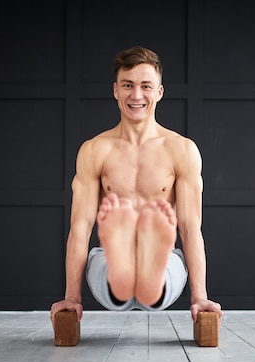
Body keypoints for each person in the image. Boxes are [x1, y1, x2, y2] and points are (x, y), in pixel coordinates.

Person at [50, 46, 222, 327]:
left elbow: (190, 227)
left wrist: (200, 296)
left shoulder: (181, 150)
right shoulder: (95, 150)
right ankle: (125, 265)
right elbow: (80, 226)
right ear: (115, 90)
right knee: (115, 278)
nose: (136, 95)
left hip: (165, 259)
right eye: (127, 85)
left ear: (159, 92)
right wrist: (72, 297)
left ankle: (146, 267)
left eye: (146, 86)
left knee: (153, 281)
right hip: (108, 259)